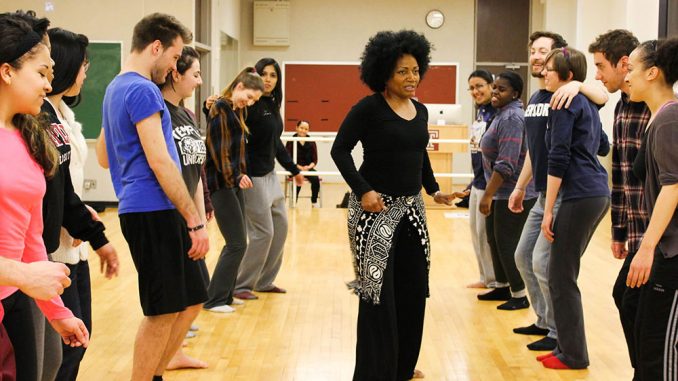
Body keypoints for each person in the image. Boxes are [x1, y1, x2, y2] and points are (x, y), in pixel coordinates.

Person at [331, 29, 454, 381]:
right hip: (374, 212)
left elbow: (420, 156)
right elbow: (340, 151)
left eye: (416, 70)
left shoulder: (421, 111)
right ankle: (374, 372)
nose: (411, 78)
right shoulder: (367, 109)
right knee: (377, 296)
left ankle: (401, 367)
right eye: (403, 71)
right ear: (384, 72)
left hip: (413, 211)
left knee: (413, 291)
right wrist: (364, 190)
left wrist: (434, 190)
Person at [97, 13, 208, 381]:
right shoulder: (143, 89)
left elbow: (103, 155)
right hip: (153, 209)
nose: (174, 66)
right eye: (175, 57)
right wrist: (194, 218)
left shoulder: (116, 87)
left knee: (191, 298)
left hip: (151, 208)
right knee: (161, 312)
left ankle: (157, 372)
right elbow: (161, 161)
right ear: (156, 47)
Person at [0, 15, 89, 381]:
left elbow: (30, 238)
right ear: (7, 71)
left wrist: (58, 312)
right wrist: (21, 274)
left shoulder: (28, 138)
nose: (49, 84)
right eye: (41, 73)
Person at [509, 31, 609, 351]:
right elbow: (535, 149)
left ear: (559, 62)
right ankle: (544, 321)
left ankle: (557, 332)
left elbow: (564, 151)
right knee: (524, 256)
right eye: (533, 51)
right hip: (544, 192)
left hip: (567, 191)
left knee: (547, 264)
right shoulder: (538, 100)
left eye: (544, 53)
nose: (537, 57)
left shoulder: (568, 95)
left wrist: (578, 85)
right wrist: (520, 185)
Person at [42, 27, 120, 381]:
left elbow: (66, 184)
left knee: (80, 334)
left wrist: (85, 223)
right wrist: (86, 228)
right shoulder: (41, 116)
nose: (86, 72)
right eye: (84, 64)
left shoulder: (60, 114)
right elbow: (51, 186)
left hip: (73, 243)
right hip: (55, 249)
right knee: (67, 345)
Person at [537, 47, 610, 370]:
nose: (544, 74)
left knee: (561, 276)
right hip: (595, 192)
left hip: (581, 194)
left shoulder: (562, 102)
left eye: (550, 69)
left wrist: (548, 209)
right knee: (561, 273)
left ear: (567, 76)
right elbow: (603, 145)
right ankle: (566, 348)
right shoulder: (585, 102)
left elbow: (558, 157)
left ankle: (574, 355)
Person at [588, 30, 650, 376]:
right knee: (626, 299)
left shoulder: (655, 109)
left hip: (658, 238)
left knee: (633, 302)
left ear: (623, 64)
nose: (597, 75)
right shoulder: (622, 106)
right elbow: (621, 175)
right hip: (637, 233)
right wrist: (619, 230)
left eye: (600, 66)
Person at [624, 37, 678, 380]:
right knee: (641, 328)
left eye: (630, 69)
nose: (625, 77)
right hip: (661, 250)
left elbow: (673, 188)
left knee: (659, 350)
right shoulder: (658, 117)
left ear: (653, 73)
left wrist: (645, 248)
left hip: (672, 255)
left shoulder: (670, 119)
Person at [231, 58, 303, 300]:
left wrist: (293, 169)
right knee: (263, 233)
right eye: (264, 74)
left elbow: (276, 143)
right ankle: (242, 284)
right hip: (252, 177)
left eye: (273, 75)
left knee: (280, 229)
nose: (269, 79)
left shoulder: (272, 104)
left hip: (270, 175)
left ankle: (264, 281)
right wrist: (208, 106)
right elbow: (224, 117)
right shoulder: (248, 103)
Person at [158, 46, 211, 370]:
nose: (199, 81)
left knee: (194, 296)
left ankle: (172, 354)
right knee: (179, 299)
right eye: (195, 74)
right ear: (175, 74)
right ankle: (157, 366)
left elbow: (195, 170)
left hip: (189, 216)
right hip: (167, 214)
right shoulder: (158, 111)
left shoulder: (187, 114)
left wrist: (200, 217)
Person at [203, 67, 264, 314]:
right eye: (248, 97)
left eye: (254, 101)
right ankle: (215, 299)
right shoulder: (221, 109)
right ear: (239, 86)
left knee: (240, 242)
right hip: (221, 184)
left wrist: (240, 175)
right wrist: (235, 176)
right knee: (236, 242)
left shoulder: (233, 110)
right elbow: (219, 152)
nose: (248, 103)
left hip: (232, 182)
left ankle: (225, 296)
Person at [477, 71, 537, 311]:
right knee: (495, 240)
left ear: (514, 94)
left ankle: (520, 294)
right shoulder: (502, 114)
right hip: (500, 191)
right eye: (495, 88)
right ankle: (502, 285)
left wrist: (488, 194)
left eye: (501, 89)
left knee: (507, 243)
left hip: (512, 192)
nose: (495, 92)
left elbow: (507, 163)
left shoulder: (512, 117)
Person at [462, 69, 506, 290]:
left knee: (488, 236)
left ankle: (497, 280)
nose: (475, 91)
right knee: (477, 234)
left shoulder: (498, 113)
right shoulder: (480, 114)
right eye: (471, 88)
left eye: (479, 86)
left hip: (491, 184)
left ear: (491, 86)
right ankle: (486, 277)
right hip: (478, 181)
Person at [285, 120, 321, 207]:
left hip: (307, 168)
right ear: (296, 128)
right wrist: (299, 167)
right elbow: (287, 158)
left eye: (306, 129)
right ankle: (294, 202)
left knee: (315, 178)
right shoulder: (291, 141)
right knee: (298, 179)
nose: (303, 130)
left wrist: (308, 167)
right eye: (301, 128)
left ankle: (314, 201)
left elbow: (315, 160)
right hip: (294, 168)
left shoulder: (311, 141)